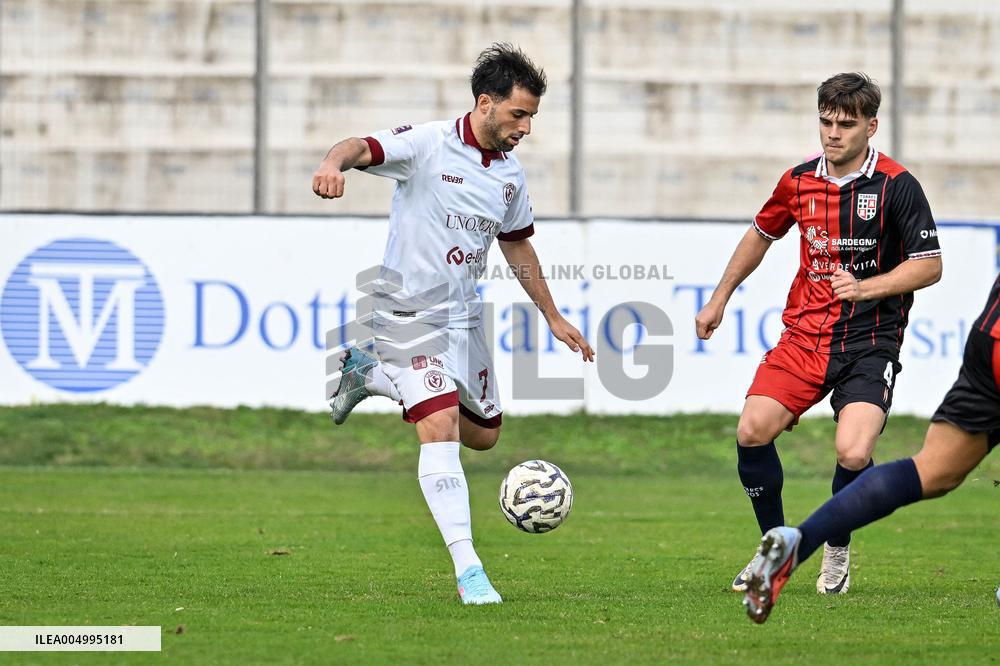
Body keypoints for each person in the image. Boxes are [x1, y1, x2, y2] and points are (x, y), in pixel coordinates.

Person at [311, 43, 594, 605]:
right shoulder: (425, 145)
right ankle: (470, 572)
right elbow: (358, 146)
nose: (526, 127)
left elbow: (518, 249)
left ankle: (367, 375)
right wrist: (330, 164)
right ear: (485, 103)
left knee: (484, 435)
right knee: (438, 425)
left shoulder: (510, 178)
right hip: (404, 313)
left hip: (463, 317)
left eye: (533, 117)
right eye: (519, 114)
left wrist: (554, 315)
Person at [695, 72, 943, 595]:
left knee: (854, 453)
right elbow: (761, 234)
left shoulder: (898, 185)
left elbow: (929, 266)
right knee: (751, 430)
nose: (833, 134)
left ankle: (836, 545)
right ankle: (774, 554)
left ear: (871, 126)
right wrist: (720, 297)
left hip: (871, 341)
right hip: (805, 336)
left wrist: (868, 287)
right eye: (826, 122)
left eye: (846, 124)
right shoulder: (799, 180)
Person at [744, 273, 1000, 623]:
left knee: (933, 470)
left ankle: (798, 544)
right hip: (816, 342)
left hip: (989, 339)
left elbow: (929, 264)